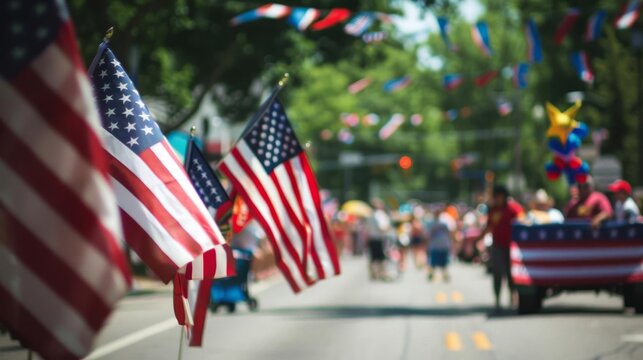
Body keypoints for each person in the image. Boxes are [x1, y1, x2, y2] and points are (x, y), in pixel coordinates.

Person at [477, 185, 524, 310]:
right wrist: (479, 238)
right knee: (497, 273)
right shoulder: (493, 210)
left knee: (511, 274)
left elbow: (522, 222)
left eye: (499, 196)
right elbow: (489, 226)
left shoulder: (514, 209)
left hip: (512, 247)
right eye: (495, 196)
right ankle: (497, 300)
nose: (497, 199)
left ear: (504, 196)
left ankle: (513, 297)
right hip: (497, 246)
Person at [425, 207, 455, 282]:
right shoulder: (432, 223)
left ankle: (444, 275)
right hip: (436, 245)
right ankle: (432, 274)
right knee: (434, 262)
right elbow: (428, 235)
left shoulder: (444, 222)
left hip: (442, 245)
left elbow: (450, 233)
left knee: (443, 262)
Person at [365, 199, 392, 280]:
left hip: (372, 238)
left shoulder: (370, 215)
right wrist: (388, 228)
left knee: (373, 257)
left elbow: (367, 228)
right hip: (380, 238)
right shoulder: (380, 215)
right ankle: (381, 273)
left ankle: (374, 273)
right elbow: (382, 227)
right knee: (381, 257)